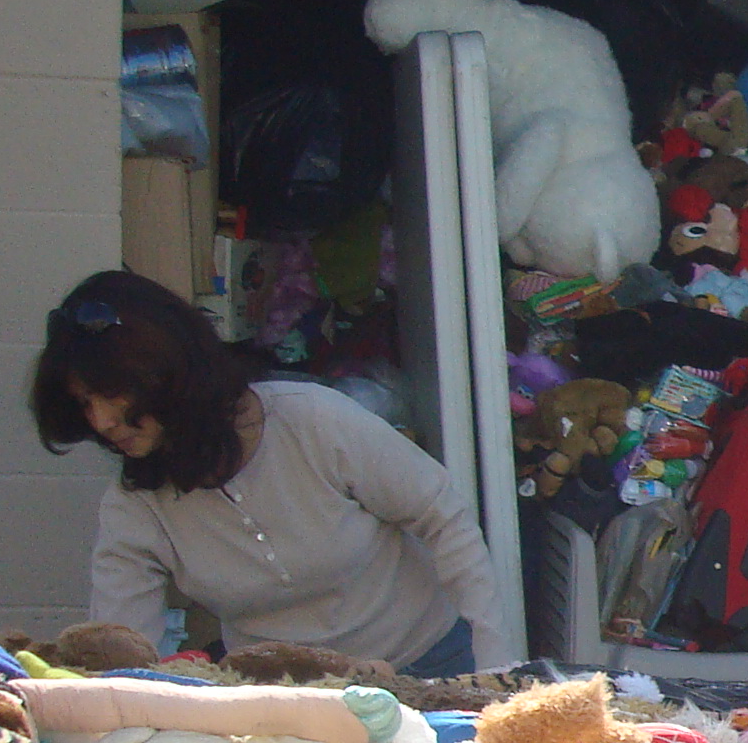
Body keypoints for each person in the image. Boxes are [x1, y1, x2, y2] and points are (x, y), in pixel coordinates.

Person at [34, 269, 510, 675]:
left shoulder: (313, 419)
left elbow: (445, 518)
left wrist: (494, 670)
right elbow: (123, 652)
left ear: (167, 371)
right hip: (288, 702)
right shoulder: (134, 503)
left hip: (430, 662)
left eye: (111, 395)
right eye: (84, 403)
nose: (101, 421)